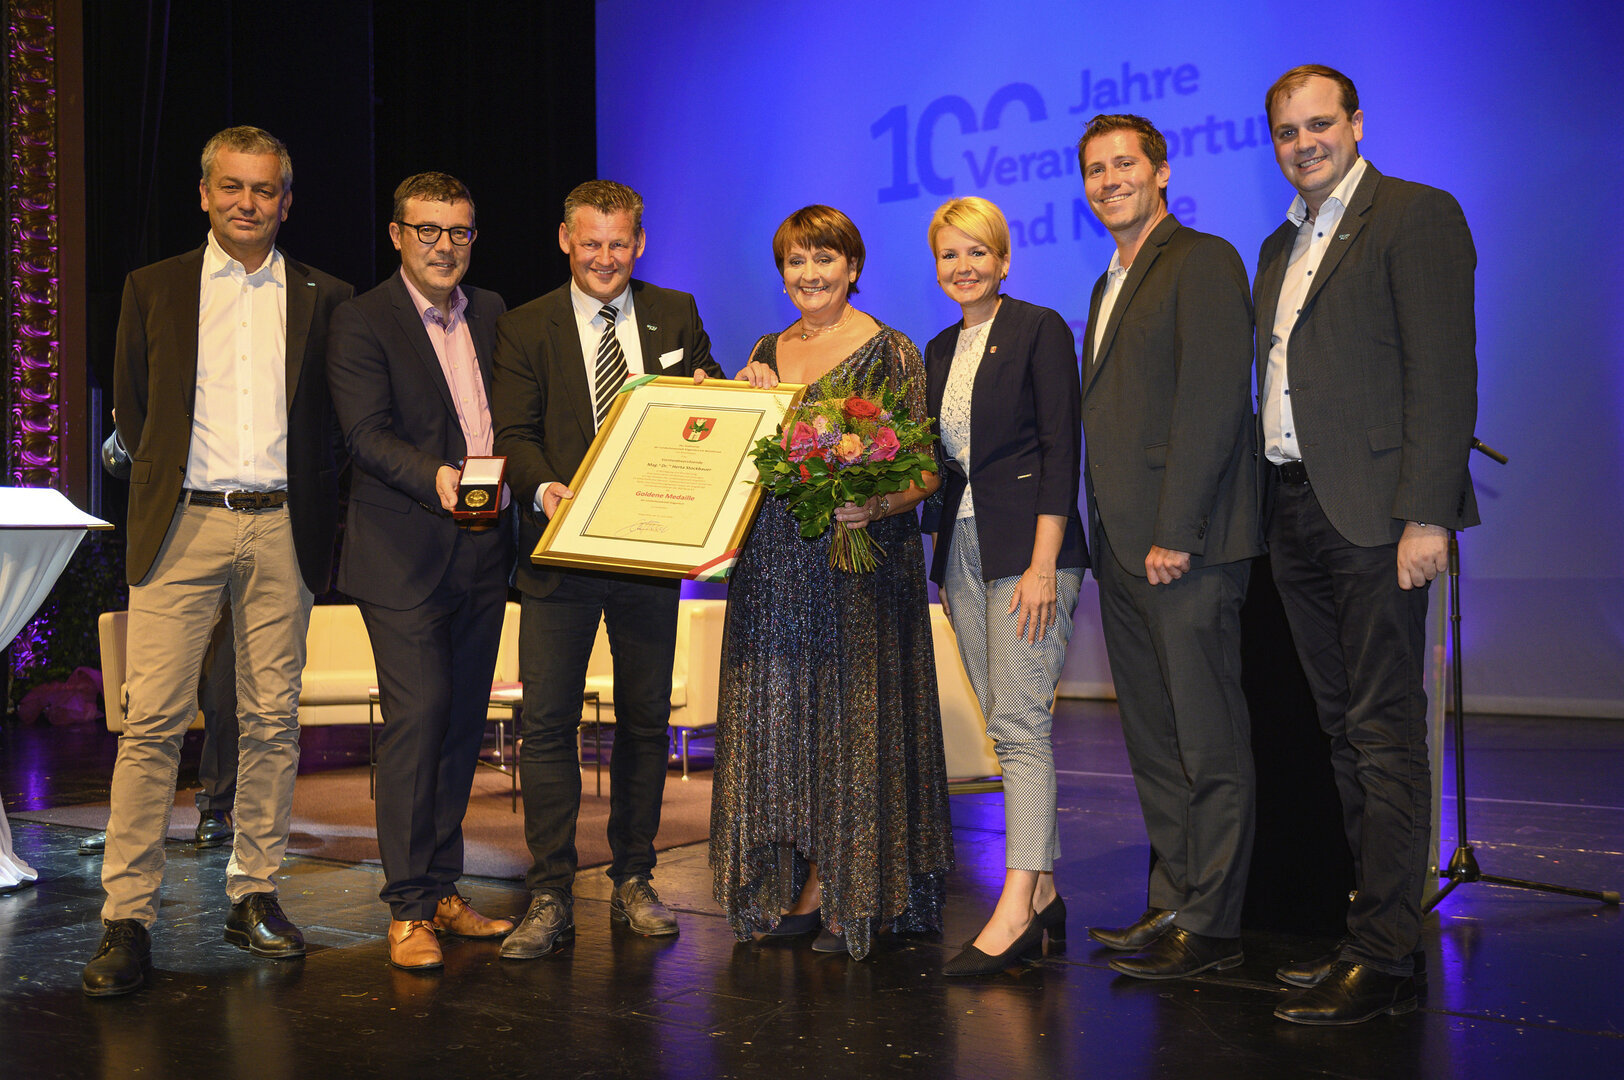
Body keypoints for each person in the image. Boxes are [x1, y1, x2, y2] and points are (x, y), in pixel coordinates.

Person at [83, 126, 352, 997]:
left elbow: (333, 422)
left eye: (264, 189)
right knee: (152, 724)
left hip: (283, 527)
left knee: (272, 721)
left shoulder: (327, 296)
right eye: (231, 186)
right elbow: (135, 407)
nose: (247, 202)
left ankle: (255, 893)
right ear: (204, 194)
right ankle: (127, 918)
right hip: (182, 525)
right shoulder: (153, 287)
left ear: (286, 201)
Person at [1256, 65, 1477, 1026]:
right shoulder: (1278, 244)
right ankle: (1371, 935)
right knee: (1345, 733)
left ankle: (1386, 955)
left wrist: (1428, 515)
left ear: (1355, 123)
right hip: (1294, 511)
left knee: (1384, 735)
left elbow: (1444, 371)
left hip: (1379, 518)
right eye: (1287, 131)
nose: (1304, 143)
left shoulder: (1415, 214)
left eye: (1320, 124)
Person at [714, 205, 954, 961]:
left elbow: (925, 472)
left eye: (825, 259)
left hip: (857, 571)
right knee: (784, 728)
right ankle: (795, 877)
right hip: (773, 569)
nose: (810, 274)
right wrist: (739, 398)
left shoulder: (893, 351)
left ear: (853, 267)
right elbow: (745, 459)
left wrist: (872, 504)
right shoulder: (765, 350)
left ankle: (848, 888)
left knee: (850, 727)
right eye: (796, 261)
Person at [491, 180, 723, 959]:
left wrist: (715, 392)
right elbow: (514, 433)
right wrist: (545, 488)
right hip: (558, 554)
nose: (604, 257)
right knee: (548, 726)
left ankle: (634, 879)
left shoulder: (675, 312)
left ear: (640, 243)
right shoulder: (524, 325)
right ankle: (551, 893)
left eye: (619, 243)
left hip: (647, 557)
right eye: (590, 242)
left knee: (646, 723)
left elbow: (706, 398)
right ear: (566, 240)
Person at [1075, 114, 1262, 979]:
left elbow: (1214, 403)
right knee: (1154, 740)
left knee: (1207, 738)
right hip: (1122, 546)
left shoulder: (1204, 260)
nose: (1109, 179)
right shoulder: (1106, 280)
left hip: (1182, 547)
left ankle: (1213, 924)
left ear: (1161, 172)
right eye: (1095, 169)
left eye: (1124, 163)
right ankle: (1174, 898)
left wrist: (1176, 531)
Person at [327, 172, 516, 971]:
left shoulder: (495, 311)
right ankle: (407, 908)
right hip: (403, 553)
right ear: (398, 235)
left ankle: (441, 889)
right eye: (428, 231)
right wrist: (437, 477)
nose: (445, 246)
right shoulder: (361, 317)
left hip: (485, 548)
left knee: (462, 725)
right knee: (420, 717)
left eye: (459, 231)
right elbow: (365, 435)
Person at [918, 197, 1087, 975]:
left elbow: (1060, 450)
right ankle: (1044, 891)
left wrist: (1046, 566)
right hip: (961, 550)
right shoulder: (937, 349)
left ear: (1004, 259)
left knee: (1019, 727)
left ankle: (1015, 905)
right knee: (1005, 725)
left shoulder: (1039, 329)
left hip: (1030, 550)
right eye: (950, 254)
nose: (964, 267)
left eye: (977, 252)